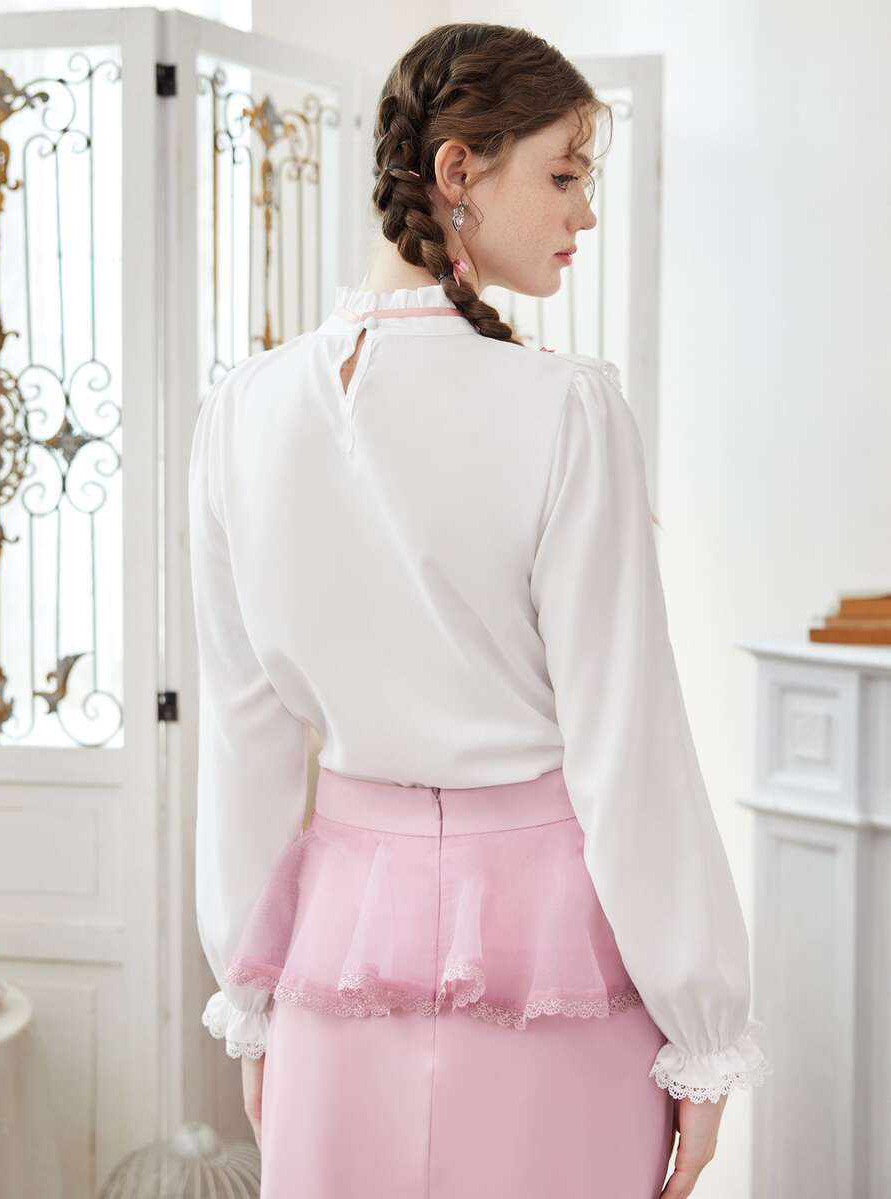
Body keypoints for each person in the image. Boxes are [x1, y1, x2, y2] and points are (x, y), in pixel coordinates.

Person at [187, 21, 772, 1199]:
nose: (583, 212)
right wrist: (705, 1031)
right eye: (563, 173)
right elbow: (627, 747)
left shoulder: (240, 412)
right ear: (459, 170)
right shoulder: (567, 409)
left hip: (334, 969)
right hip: (557, 973)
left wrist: (251, 998)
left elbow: (247, 748)